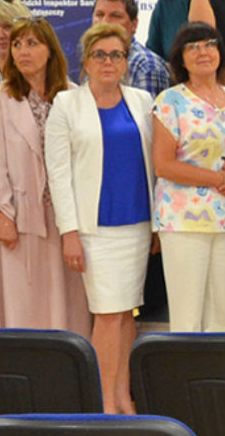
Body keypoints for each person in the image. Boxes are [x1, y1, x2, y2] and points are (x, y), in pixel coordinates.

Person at [47, 22, 157, 414]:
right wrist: (69, 233)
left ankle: (123, 394)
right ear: (86, 61)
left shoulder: (142, 100)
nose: (109, 62)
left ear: (126, 61)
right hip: (95, 230)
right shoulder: (66, 104)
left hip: (138, 224)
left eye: (117, 55)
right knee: (108, 316)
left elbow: (155, 165)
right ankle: (103, 405)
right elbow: (58, 174)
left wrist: (158, 225)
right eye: (100, 55)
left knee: (127, 313)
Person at [0, 16, 89, 334]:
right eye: (17, 44)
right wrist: (2, 213)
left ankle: (70, 373)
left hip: (66, 218)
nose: (22, 51)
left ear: (50, 50)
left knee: (68, 302)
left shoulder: (72, 95)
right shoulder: (0, 97)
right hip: (20, 218)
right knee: (24, 305)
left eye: (32, 43)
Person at [153, 21, 225, 331]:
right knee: (186, 316)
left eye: (209, 44)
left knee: (220, 315)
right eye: (192, 47)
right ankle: (182, 380)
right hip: (183, 219)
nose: (202, 52)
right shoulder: (170, 101)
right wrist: (219, 181)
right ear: (180, 59)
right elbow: (163, 165)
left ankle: (215, 379)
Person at [93, 0, 171, 97]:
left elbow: (147, 113)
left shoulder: (146, 65)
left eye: (115, 16)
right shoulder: (91, 59)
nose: (105, 22)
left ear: (133, 24)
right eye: (100, 15)